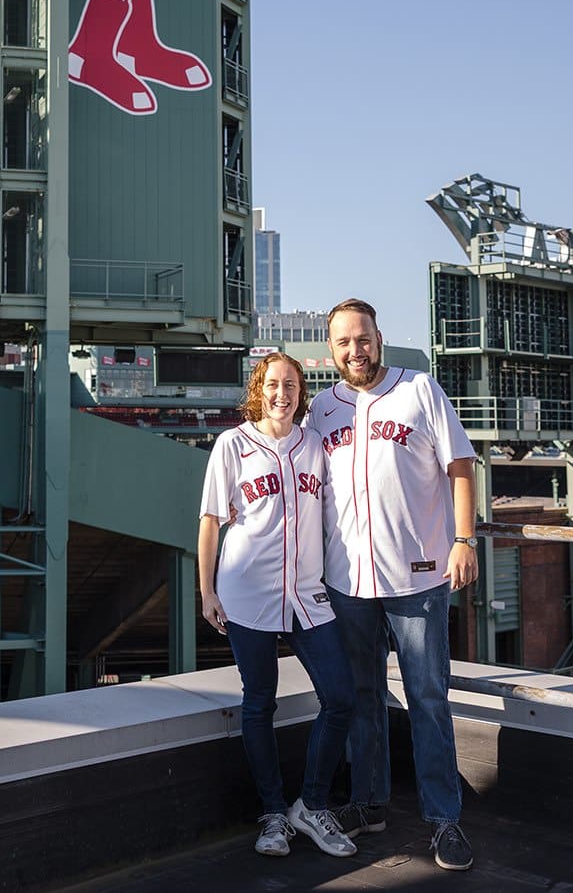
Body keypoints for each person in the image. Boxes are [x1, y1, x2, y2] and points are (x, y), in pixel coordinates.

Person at [304, 298, 479, 872]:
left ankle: (443, 818)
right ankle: (368, 803)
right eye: (343, 342)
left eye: (363, 338)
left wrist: (464, 539)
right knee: (362, 699)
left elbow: (459, 466)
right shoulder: (322, 410)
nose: (355, 350)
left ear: (379, 338)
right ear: (331, 351)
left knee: (429, 699)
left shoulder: (420, 389)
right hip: (348, 582)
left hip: (418, 578)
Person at [198, 351, 357, 860]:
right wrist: (206, 590)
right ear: (258, 389)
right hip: (247, 593)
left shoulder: (314, 445)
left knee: (341, 698)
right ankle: (271, 813)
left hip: (308, 593)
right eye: (273, 384)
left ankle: (309, 805)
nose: (281, 394)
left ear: (300, 392)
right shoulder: (232, 444)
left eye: (291, 385)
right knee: (259, 702)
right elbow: (209, 521)